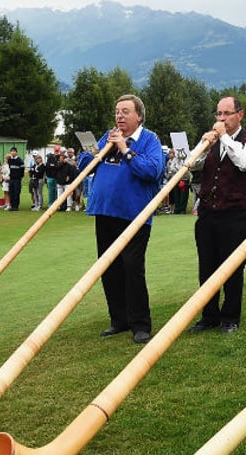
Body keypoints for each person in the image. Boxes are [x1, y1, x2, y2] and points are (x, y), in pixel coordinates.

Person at [86, 94, 165, 344]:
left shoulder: (149, 139)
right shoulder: (107, 136)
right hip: (105, 211)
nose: (119, 116)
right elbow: (83, 164)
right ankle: (118, 320)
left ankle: (140, 324)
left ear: (138, 116)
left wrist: (124, 149)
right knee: (108, 269)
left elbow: (152, 172)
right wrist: (99, 150)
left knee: (132, 269)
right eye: (117, 111)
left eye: (125, 111)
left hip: (134, 216)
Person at [185, 96, 246, 334]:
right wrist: (203, 145)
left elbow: (245, 163)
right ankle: (209, 316)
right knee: (206, 267)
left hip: (235, 213)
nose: (221, 119)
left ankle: (230, 317)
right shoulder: (212, 139)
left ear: (240, 114)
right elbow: (190, 165)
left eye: (226, 114)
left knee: (233, 267)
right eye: (218, 114)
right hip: (208, 212)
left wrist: (225, 137)